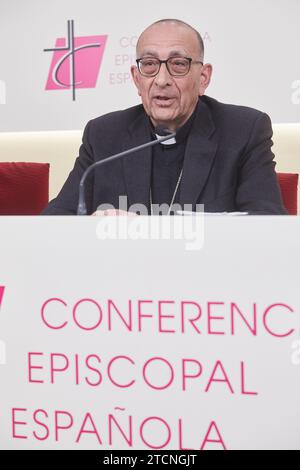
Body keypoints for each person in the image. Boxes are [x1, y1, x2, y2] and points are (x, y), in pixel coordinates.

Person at [42, 19, 287, 216]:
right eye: (149, 65)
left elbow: (267, 223)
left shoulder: (244, 130)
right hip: (125, 273)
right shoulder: (104, 135)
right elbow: (56, 219)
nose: (161, 80)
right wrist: (90, 227)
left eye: (178, 64)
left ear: (203, 78)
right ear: (137, 79)